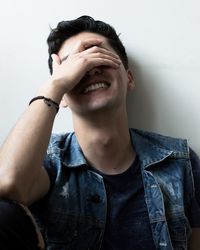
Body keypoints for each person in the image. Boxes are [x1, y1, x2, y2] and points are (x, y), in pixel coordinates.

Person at [0, 15, 200, 250]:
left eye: (98, 56)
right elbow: (7, 185)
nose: (89, 69)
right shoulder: (47, 162)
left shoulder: (178, 160)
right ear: (62, 94)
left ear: (129, 77)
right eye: (74, 64)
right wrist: (53, 86)